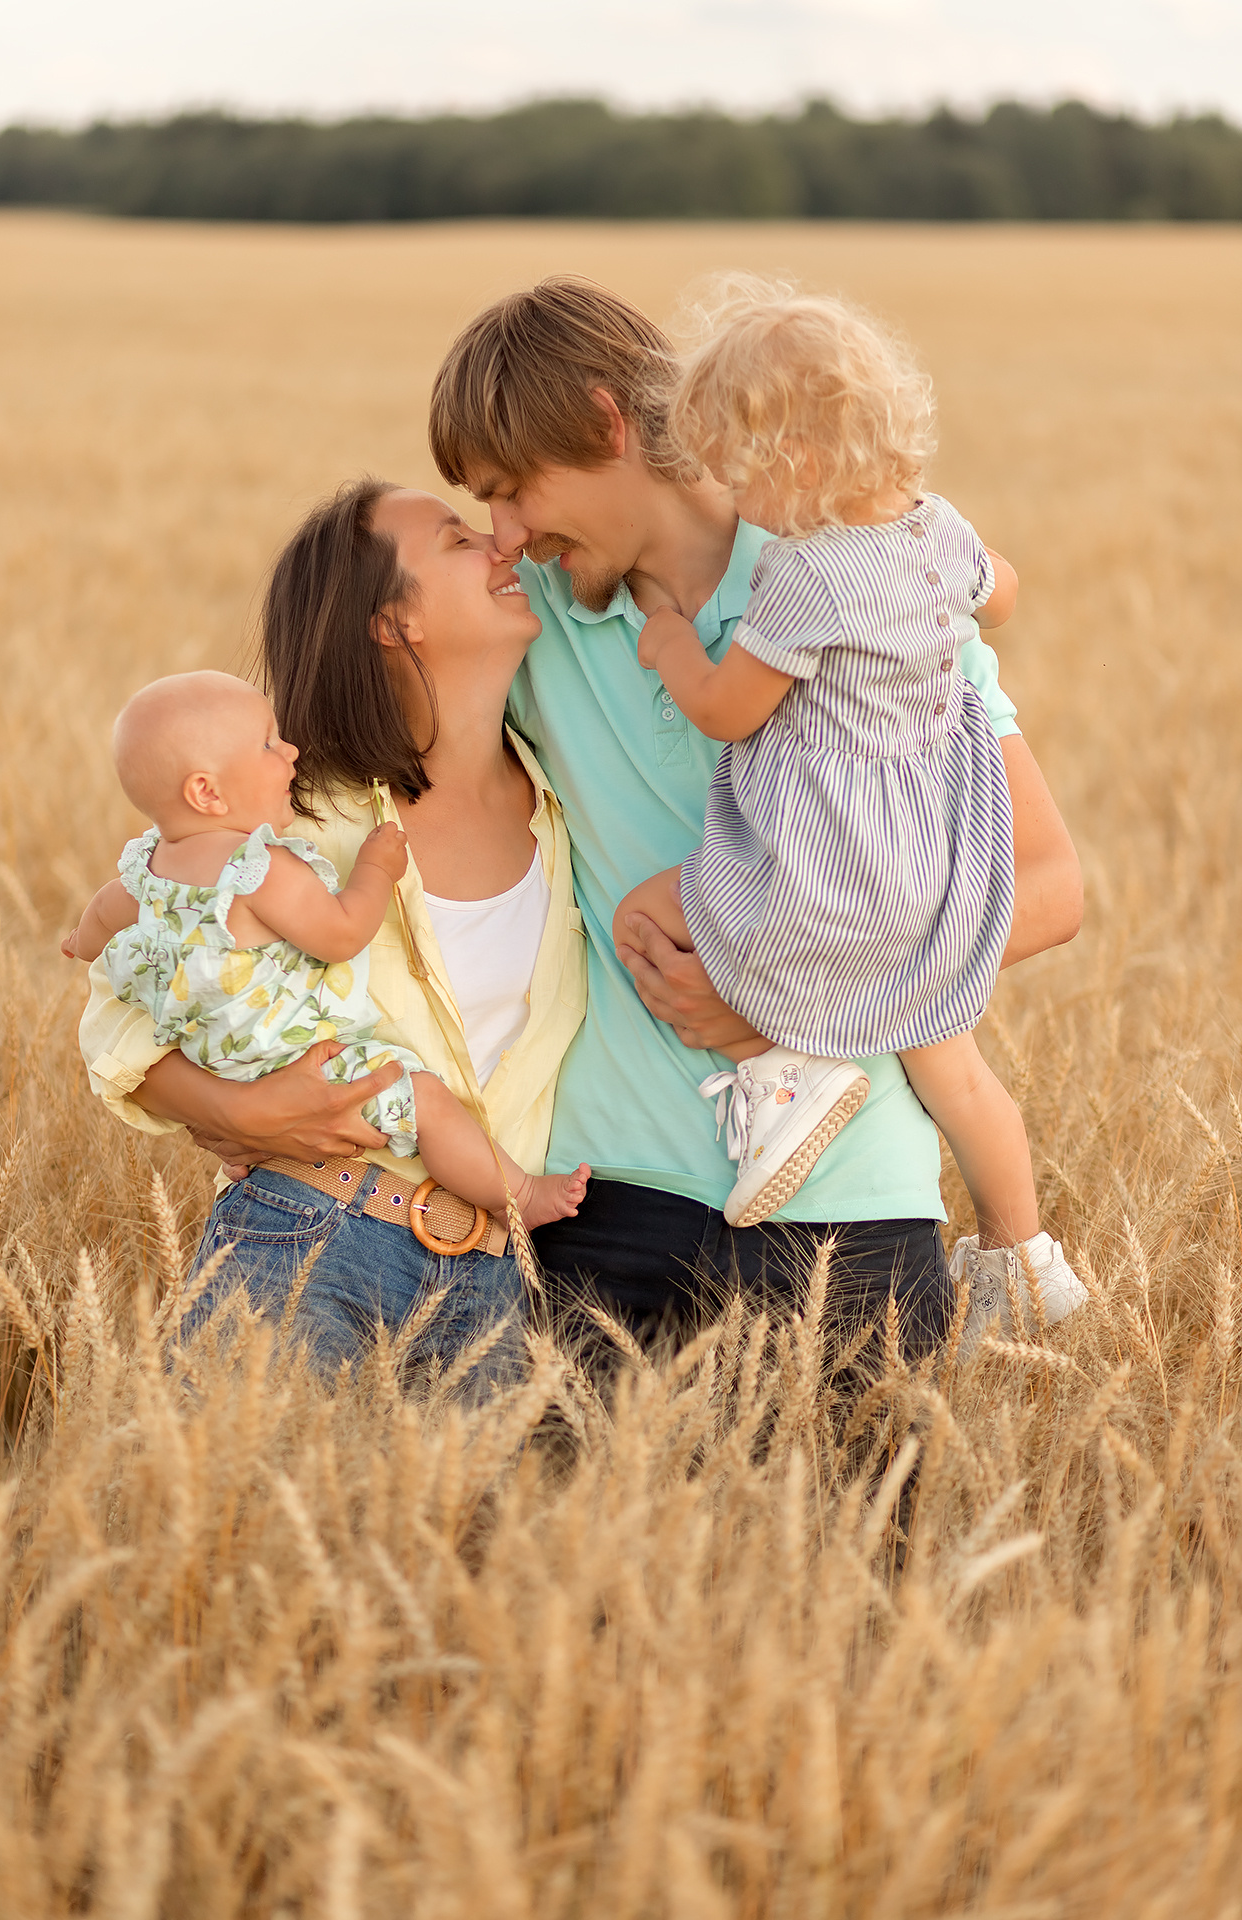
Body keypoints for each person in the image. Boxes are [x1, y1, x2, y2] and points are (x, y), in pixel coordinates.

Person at [428, 274, 1084, 1356]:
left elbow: (1050, 890)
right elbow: (348, 755)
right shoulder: (524, 623)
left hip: (853, 1207)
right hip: (603, 1196)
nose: (498, 538)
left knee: (852, 1535)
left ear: (603, 421)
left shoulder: (877, 595)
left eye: (512, 490)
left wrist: (796, 991)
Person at [613, 282, 1086, 1336]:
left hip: (826, 869)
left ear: (797, 462)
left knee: (646, 911)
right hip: (934, 855)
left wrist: (671, 646)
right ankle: (1024, 1254)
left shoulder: (802, 575)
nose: (738, 506)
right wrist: (969, 586)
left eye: (742, 475)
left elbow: (730, 713)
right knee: (952, 1069)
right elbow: (997, 591)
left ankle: (786, 1072)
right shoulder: (937, 531)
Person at [75, 481, 587, 1379]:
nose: (504, 545)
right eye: (460, 539)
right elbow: (122, 1020)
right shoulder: (294, 830)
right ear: (393, 620)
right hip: (308, 1237)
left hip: (498, 1284)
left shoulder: (574, 814)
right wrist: (235, 1109)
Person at [65, 670, 588, 1231]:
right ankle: (521, 1194)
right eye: (268, 743)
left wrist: (77, 942)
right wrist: (374, 869)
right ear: (207, 792)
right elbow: (341, 932)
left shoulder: (142, 877)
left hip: (228, 1073)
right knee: (426, 1102)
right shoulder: (258, 870)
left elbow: (97, 923)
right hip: (308, 1075)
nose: (289, 749)